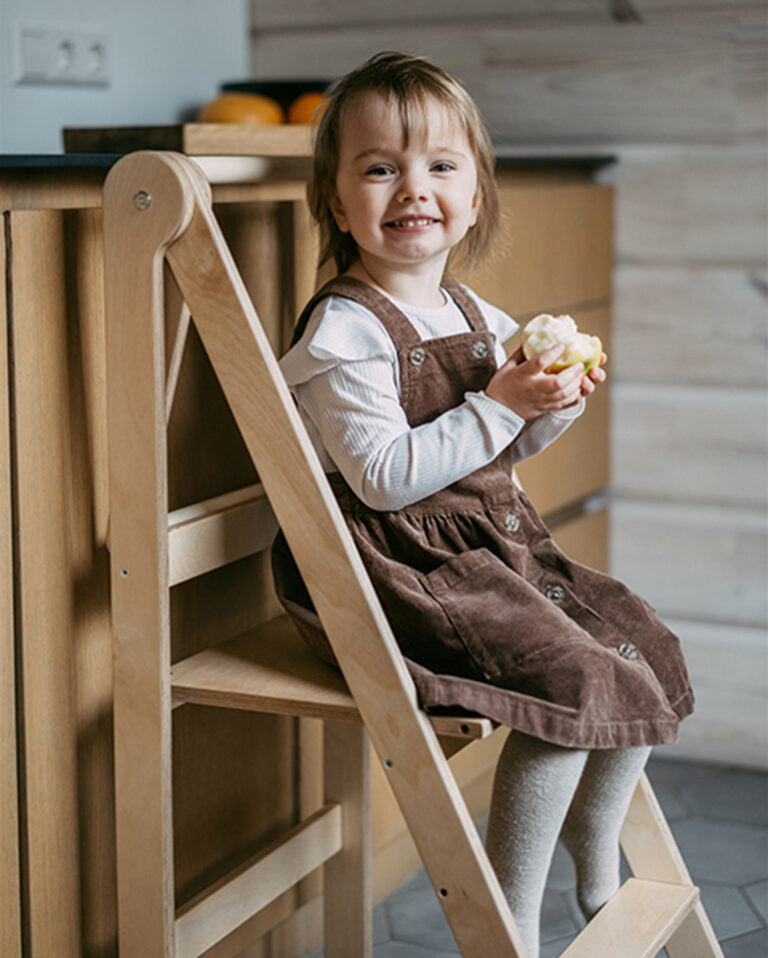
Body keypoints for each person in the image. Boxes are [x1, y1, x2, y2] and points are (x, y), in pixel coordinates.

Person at [272, 51, 693, 957]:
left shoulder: (475, 311)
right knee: (577, 680)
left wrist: (549, 408)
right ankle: (513, 918)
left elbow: (502, 447)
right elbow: (384, 477)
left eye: (438, 165)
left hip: (487, 547)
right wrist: (501, 404)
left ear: (475, 194)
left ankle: (593, 868)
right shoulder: (344, 330)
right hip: (390, 569)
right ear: (339, 203)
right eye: (380, 167)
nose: (410, 187)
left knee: (636, 639)